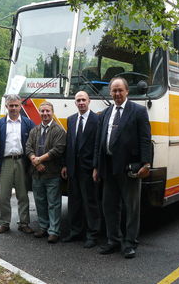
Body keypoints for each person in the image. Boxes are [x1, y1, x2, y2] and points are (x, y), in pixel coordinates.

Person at [93, 77, 152, 258]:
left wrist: (146, 164)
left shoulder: (139, 111)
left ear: (127, 91)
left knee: (131, 207)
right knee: (109, 206)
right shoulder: (105, 113)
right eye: (114, 91)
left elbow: (145, 140)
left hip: (130, 168)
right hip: (109, 168)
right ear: (110, 93)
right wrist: (96, 167)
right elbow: (99, 142)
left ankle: (130, 243)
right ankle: (113, 240)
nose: (117, 94)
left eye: (120, 90)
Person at [0, 94, 35, 235]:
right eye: (11, 105)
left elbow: (33, 143)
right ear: (6, 106)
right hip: (5, 162)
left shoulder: (28, 123)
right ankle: (3, 223)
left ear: (20, 106)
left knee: (23, 195)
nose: (14, 108)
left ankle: (24, 223)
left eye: (16, 105)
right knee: (4, 195)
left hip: (22, 161)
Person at [61, 91, 100, 248]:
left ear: (89, 101)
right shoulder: (71, 120)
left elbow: (98, 146)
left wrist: (96, 167)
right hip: (73, 169)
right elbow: (69, 145)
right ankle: (75, 232)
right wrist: (65, 164)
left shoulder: (97, 120)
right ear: (75, 103)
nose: (81, 102)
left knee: (90, 203)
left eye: (84, 100)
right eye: (78, 100)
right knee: (74, 202)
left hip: (89, 169)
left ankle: (92, 235)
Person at [26, 101, 66, 244]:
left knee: (54, 203)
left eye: (47, 111)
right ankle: (43, 227)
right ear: (39, 113)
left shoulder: (59, 131)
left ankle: (54, 231)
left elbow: (57, 150)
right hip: (37, 173)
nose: (45, 114)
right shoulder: (34, 131)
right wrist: (35, 162)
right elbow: (28, 147)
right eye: (42, 111)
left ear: (52, 112)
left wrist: (39, 160)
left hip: (52, 174)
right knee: (40, 201)